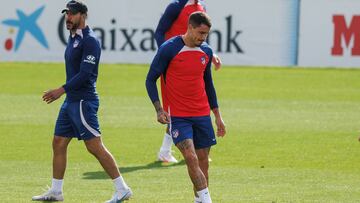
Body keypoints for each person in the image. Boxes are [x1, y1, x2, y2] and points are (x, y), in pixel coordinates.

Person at [32, 1, 132, 202]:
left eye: (72, 14)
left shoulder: (90, 41)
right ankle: (56, 191)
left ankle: (122, 189)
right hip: (72, 101)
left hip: (83, 102)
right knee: (59, 142)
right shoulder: (74, 38)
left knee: (94, 146)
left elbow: (86, 74)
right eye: (66, 14)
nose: (68, 18)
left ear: (83, 15)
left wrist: (61, 90)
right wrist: (66, 93)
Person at [146, 12, 226, 203]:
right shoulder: (169, 49)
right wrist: (158, 109)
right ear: (190, 27)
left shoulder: (205, 52)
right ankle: (207, 200)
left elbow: (208, 84)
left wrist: (218, 116)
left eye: (206, 34)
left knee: (203, 162)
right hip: (179, 116)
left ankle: (199, 199)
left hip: (201, 114)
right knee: (190, 157)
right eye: (200, 33)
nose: (202, 37)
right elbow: (150, 79)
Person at [154, 0, 222, 163]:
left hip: (191, 61)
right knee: (176, 108)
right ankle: (169, 149)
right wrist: (167, 59)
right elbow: (159, 32)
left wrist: (210, 55)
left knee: (192, 104)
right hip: (174, 65)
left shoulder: (201, 7)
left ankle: (168, 149)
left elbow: (201, 36)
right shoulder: (176, 6)